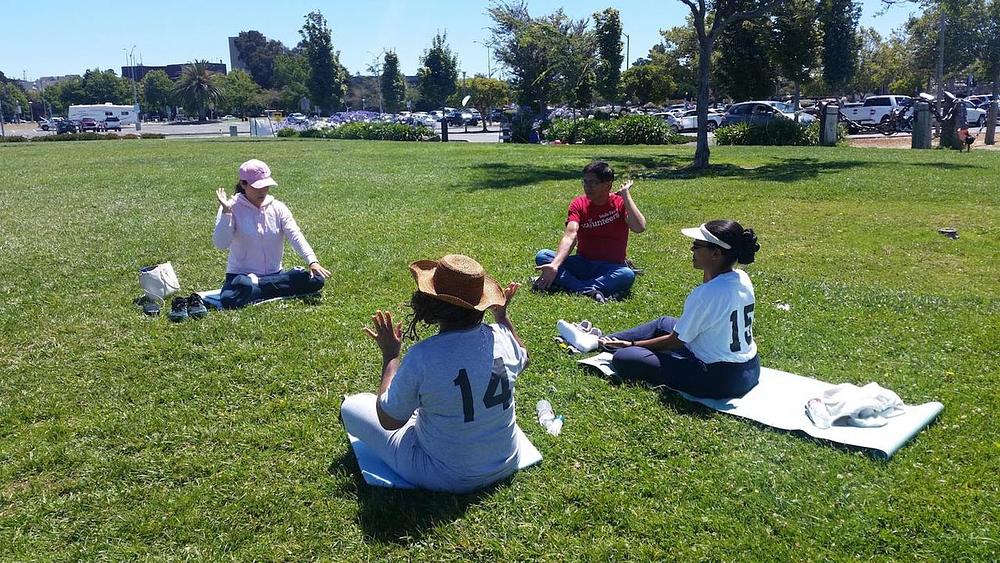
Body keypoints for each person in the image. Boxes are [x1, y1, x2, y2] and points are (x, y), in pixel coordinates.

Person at [340, 254, 528, 493]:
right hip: (507, 459)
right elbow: (525, 357)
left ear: (433, 304)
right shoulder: (501, 335)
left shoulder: (424, 356)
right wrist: (502, 317)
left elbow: (389, 420)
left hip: (445, 475)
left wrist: (390, 356)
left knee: (352, 406)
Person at [598, 220, 761, 399]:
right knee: (664, 322)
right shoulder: (742, 277)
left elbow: (675, 342)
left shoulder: (706, 294)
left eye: (697, 245)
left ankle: (610, 344)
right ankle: (600, 341)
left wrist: (632, 345)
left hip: (720, 379)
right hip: (751, 368)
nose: (692, 249)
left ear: (716, 253)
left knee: (625, 357)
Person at [212, 159, 331, 309]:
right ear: (243, 184)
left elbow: (295, 235)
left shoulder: (278, 207)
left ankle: (258, 286)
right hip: (240, 276)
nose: (263, 191)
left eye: (266, 186)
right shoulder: (230, 207)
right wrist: (226, 214)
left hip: (274, 274)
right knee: (229, 299)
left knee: (317, 280)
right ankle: (273, 284)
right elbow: (220, 244)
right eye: (257, 187)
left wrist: (312, 261)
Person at [533, 160, 647, 302]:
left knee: (627, 275)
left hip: (610, 267)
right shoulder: (579, 204)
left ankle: (571, 284)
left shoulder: (620, 203)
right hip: (582, 263)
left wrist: (626, 195)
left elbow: (639, 227)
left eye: (593, 182)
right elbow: (570, 235)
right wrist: (555, 265)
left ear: (608, 185)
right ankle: (589, 289)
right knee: (543, 256)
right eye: (585, 182)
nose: (587, 187)